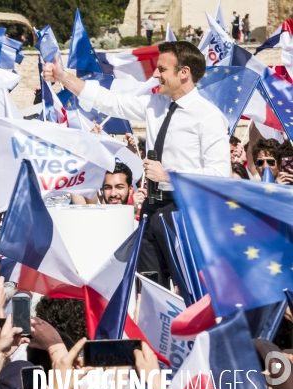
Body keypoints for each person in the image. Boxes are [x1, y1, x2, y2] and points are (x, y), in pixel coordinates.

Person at [43, 40, 230, 288]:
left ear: (184, 73)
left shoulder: (208, 116)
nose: (156, 74)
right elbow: (108, 101)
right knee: (151, 285)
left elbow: (220, 174)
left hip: (186, 211)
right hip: (152, 208)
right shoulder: (155, 105)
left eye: (162, 69)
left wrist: (170, 176)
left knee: (190, 287)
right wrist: (63, 77)